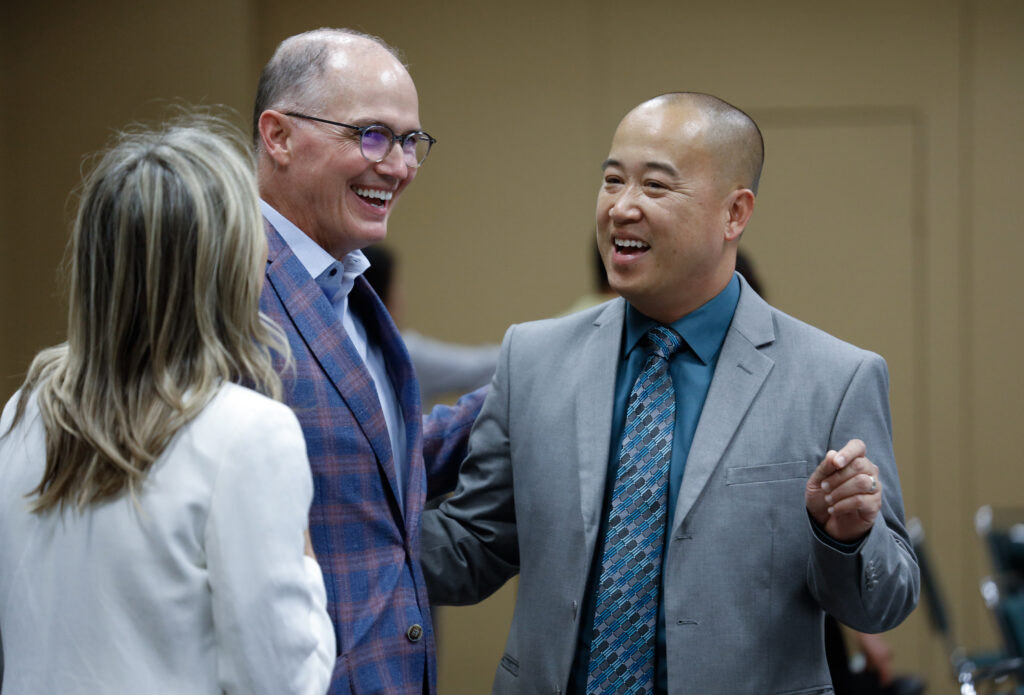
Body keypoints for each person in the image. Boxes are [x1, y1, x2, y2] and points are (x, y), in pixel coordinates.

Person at [420, 92, 920, 694]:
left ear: (735, 213)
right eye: (612, 180)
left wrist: (847, 538)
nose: (622, 207)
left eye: (655, 186)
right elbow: (472, 549)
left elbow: (883, 604)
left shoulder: (834, 378)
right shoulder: (533, 359)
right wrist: (337, 533)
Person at [0, 117, 334, 694]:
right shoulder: (248, 434)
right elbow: (283, 682)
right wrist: (303, 557)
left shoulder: (23, 414)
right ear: (227, 264)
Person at [252, 28, 484, 694]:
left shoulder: (347, 288)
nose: (400, 165)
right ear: (279, 136)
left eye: (411, 141)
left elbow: (373, 471)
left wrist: (531, 380)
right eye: (373, 136)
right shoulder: (222, 289)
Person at [362, 244, 500, 403]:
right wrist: (519, 346)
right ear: (382, 297)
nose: (401, 298)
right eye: (395, 288)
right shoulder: (402, 353)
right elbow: (479, 368)